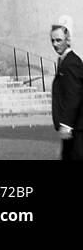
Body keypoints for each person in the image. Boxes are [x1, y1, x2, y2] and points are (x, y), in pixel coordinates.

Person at [51, 21, 83, 161]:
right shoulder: (65, 61)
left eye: (59, 40)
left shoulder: (71, 63)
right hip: (72, 128)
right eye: (53, 40)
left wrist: (66, 125)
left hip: (76, 128)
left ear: (68, 40)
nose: (55, 44)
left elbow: (74, 95)